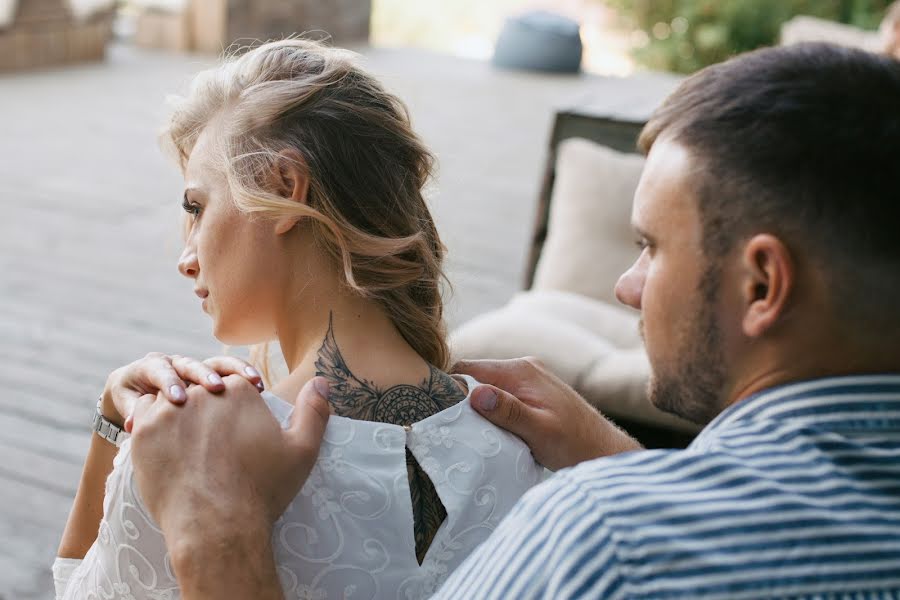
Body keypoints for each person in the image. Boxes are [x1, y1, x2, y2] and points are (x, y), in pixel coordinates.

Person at [118, 41, 900, 598]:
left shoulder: (602, 541)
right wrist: (623, 461)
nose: (626, 289)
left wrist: (214, 537)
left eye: (651, 248)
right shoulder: (567, 480)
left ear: (763, 282)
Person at [52, 38, 569, 600]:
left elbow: (70, 587)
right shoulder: (526, 453)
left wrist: (113, 427)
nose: (186, 256)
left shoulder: (188, 452)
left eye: (197, 208)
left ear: (283, 188)